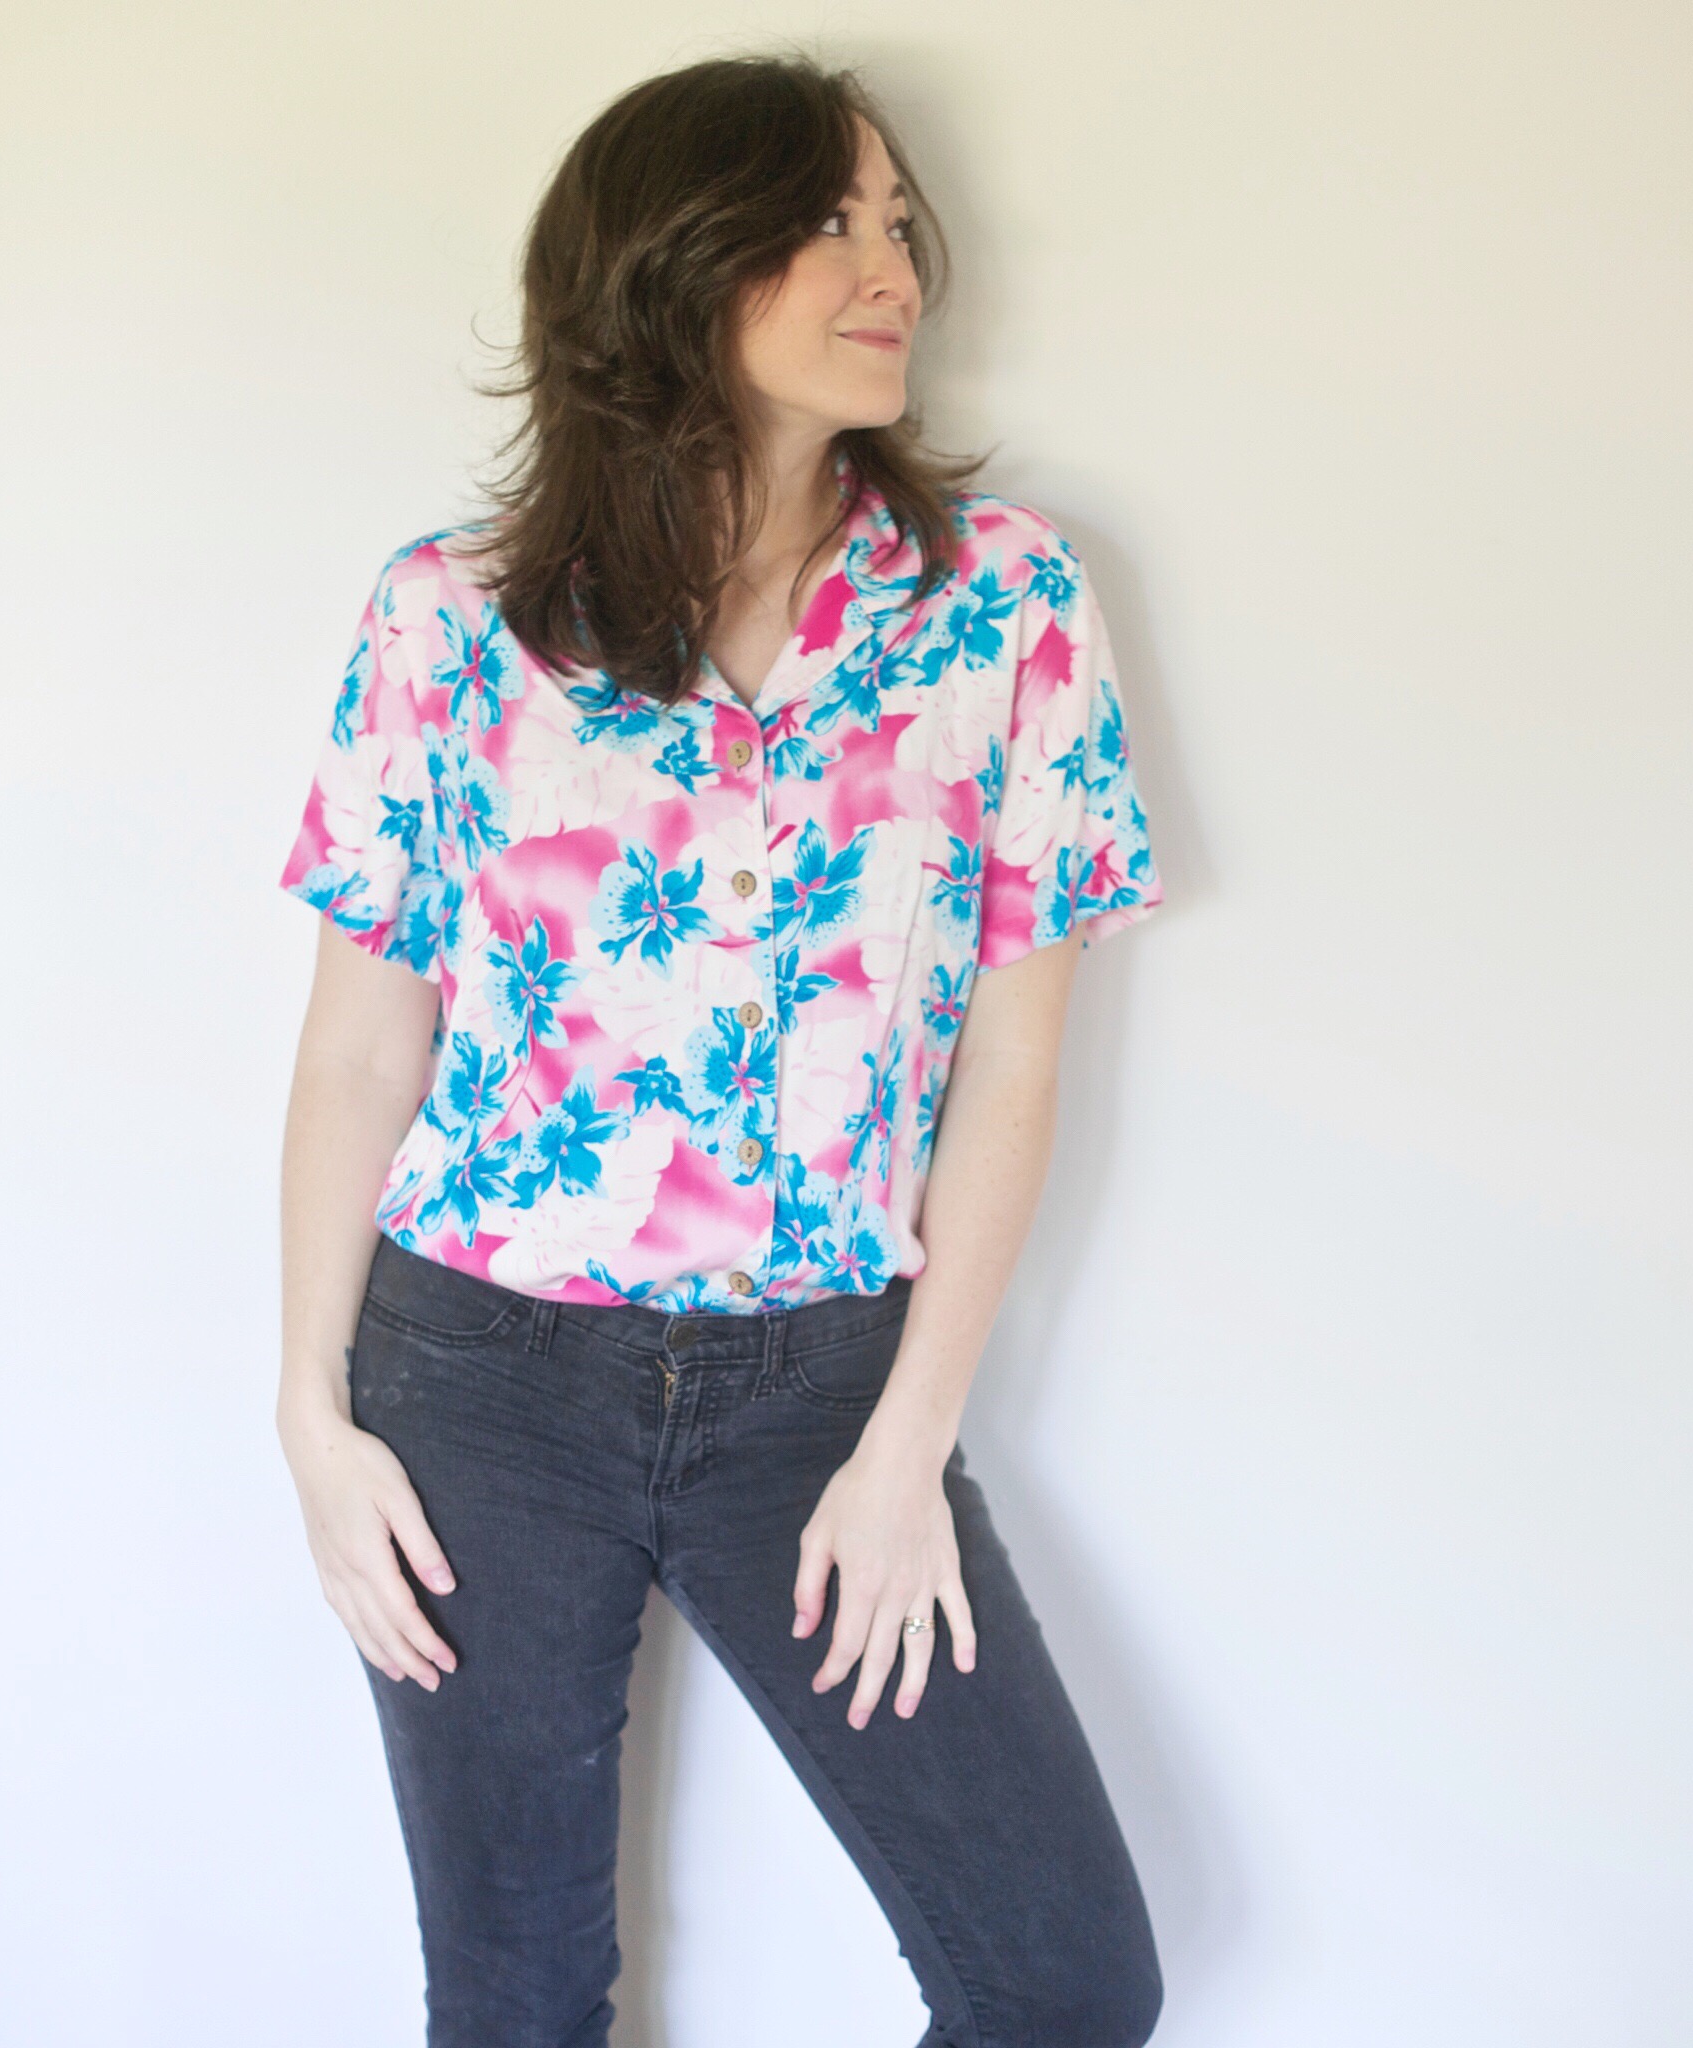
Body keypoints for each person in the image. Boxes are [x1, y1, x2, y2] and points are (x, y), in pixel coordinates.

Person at [275, 50, 1167, 2048]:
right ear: (670, 264)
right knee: (516, 2000)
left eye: (897, 220)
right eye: (828, 221)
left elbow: (1013, 1071)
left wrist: (906, 1445)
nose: (893, 268)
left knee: (1061, 1984)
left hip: (824, 1390)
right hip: (475, 1381)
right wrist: (309, 1413)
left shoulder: (1006, 607)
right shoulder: (445, 622)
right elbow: (356, 1056)